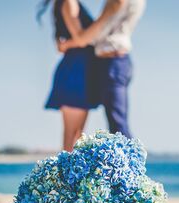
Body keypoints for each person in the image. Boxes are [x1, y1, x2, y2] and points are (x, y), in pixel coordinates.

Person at [59, 0, 146, 138]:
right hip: (117, 61)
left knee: (117, 124)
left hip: (112, 61)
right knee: (116, 122)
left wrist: (69, 43)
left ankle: (131, 159)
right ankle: (128, 157)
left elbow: (89, 37)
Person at [39, 0, 118, 151]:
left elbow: (65, 44)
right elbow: (80, 39)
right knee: (73, 135)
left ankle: (69, 172)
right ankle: (66, 173)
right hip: (76, 71)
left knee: (76, 134)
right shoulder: (69, 2)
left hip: (82, 70)